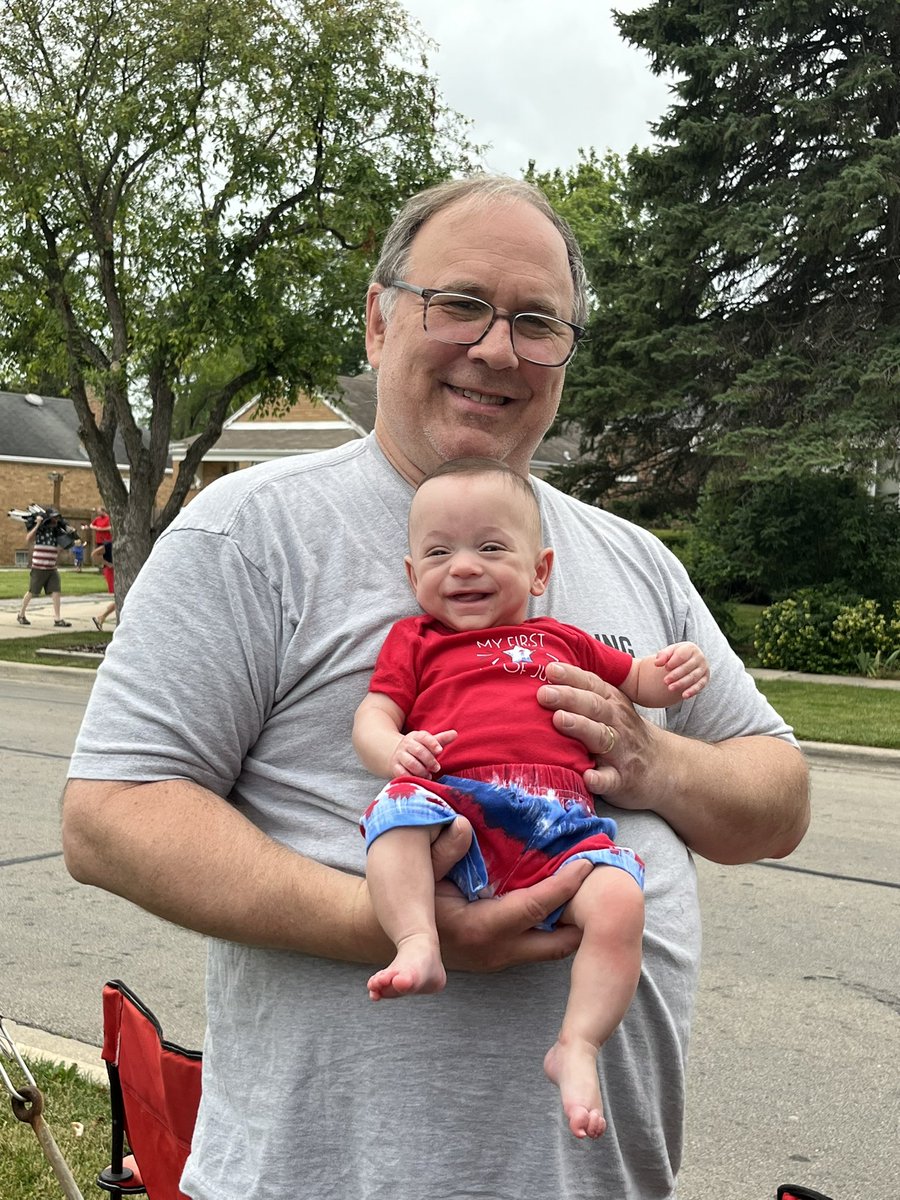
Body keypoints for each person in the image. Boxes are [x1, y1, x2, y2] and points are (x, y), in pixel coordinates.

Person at [63, 176, 809, 1200]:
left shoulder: (634, 560)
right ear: (377, 322)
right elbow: (109, 817)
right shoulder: (250, 534)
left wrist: (654, 761)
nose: (497, 349)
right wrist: (395, 921)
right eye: (458, 303)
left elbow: (778, 802)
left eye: (538, 322)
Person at [355, 456, 711, 1140]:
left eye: (491, 548)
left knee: (620, 901)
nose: (463, 567)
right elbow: (374, 715)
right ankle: (416, 939)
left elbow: (638, 680)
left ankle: (576, 1042)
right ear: (411, 576)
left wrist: (673, 672)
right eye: (439, 552)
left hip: (558, 821)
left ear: (540, 570)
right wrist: (392, 750)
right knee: (394, 817)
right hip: (452, 804)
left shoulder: (563, 639)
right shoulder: (415, 641)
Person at [17, 507, 73, 627]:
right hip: (39, 567)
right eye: (54, 517)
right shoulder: (41, 530)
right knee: (32, 591)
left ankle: (57, 619)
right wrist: (37, 524)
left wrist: (68, 538)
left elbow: (61, 546)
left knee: (56, 591)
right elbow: (28, 538)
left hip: (52, 568)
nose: (56, 519)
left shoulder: (56, 531)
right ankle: (21, 614)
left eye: (57, 517)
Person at [91, 541, 116, 631]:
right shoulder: (109, 545)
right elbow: (94, 554)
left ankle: (102, 617)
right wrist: (107, 563)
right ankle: (101, 617)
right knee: (122, 597)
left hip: (117, 571)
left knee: (121, 598)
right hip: (111, 572)